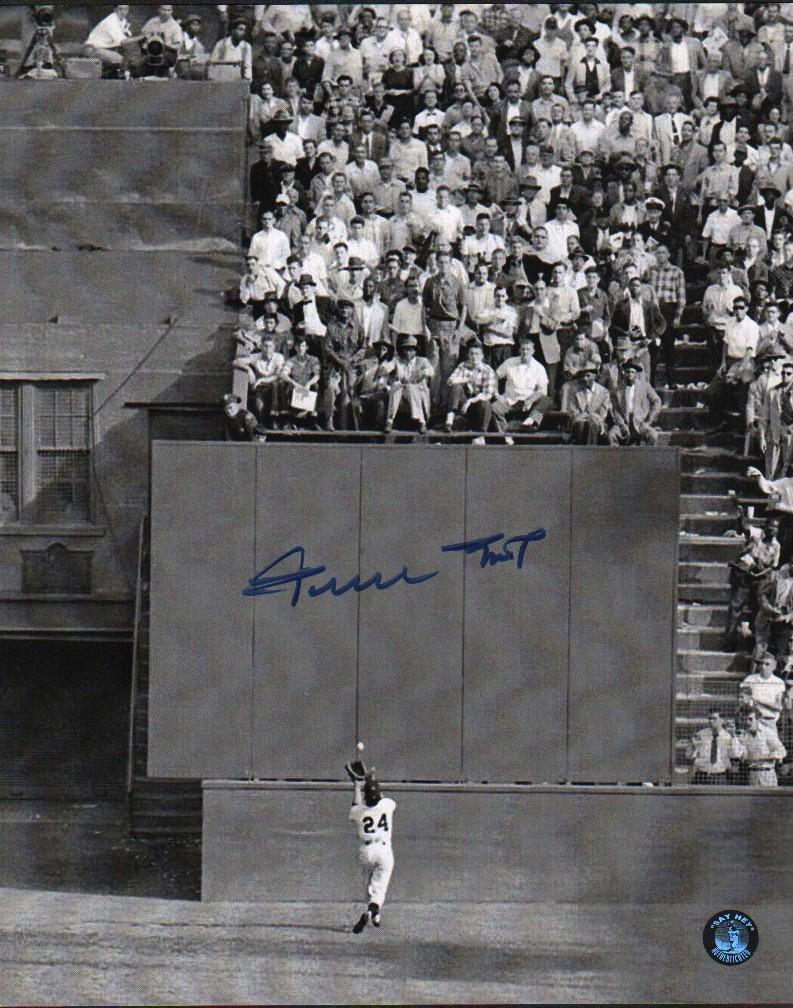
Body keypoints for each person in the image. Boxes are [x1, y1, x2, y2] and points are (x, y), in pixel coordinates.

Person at [349, 769, 396, 934]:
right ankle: (372, 911)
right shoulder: (387, 805)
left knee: (370, 886)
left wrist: (357, 786)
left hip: (366, 852)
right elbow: (381, 796)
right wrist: (371, 778)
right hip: (383, 850)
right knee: (380, 885)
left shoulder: (359, 812)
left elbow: (356, 804)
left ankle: (375, 914)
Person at [445, 339, 498, 444]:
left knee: (485, 404)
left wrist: (470, 401)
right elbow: (450, 381)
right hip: (463, 401)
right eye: (472, 354)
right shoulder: (463, 366)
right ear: (468, 355)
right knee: (456, 387)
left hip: (477, 403)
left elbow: (488, 394)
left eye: (477, 354)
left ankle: (481, 434)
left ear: (482, 356)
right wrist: (466, 379)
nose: (474, 357)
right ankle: (449, 419)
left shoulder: (488, 370)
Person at [383, 334, 434, 433]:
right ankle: (389, 420)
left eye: (411, 350)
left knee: (411, 387)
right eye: (406, 350)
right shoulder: (398, 361)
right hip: (402, 392)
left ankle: (422, 421)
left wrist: (422, 373)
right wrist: (385, 368)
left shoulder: (422, 361)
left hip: (418, 391)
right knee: (396, 385)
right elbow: (389, 366)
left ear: (415, 351)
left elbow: (431, 371)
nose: (408, 353)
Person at [608, 359, 661, 446]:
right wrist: (621, 423)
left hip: (640, 423)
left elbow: (656, 401)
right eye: (627, 372)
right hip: (624, 423)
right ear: (624, 373)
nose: (630, 374)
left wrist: (650, 418)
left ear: (636, 374)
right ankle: (616, 454)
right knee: (612, 435)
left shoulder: (644, 386)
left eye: (632, 372)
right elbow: (615, 409)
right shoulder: (618, 389)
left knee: (653, 435)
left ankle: (646, 455)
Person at [686, 711, 745, 785]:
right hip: (702, 775)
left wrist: (733, 737)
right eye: (709, 718)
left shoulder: (728, 736)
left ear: (721, 720)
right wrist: (693, 746)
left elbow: (735, 755)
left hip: (720, 776)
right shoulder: (701, 734)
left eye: (714, 718)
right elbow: (689, 755)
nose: (711, 721)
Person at [740, 652, 788, 739]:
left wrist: (758, 701)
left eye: (767, 664)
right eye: (761, 663)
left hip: (769, 721)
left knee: (772, 746)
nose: (763, 666)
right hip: (752, 721)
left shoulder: (778, 682)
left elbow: (778, 707)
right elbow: (743, 700)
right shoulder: (750, 680)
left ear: (774, 666)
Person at [561, 364, 612, 444]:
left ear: (595, 376)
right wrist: (585, 417)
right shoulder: (576, 391)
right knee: (580, 425)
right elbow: (572, 409)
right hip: (579, 420)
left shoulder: (604, 392)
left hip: (597, 422)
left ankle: (586, 449)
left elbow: (603, 412)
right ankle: (587, 449)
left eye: (588, 376)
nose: (585, 378)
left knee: (591, 425)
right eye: (583, 376)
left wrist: (590, 417)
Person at [738, 710, 787, 787]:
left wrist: (763, 756)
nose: (747, 722)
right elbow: (742, 755)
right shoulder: (744, 735)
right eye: (744, 719)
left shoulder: (767, 732)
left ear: (757, 719)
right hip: (752, 775)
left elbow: (782, 751)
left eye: (750, 719)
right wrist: (744, 756)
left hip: (767, 774)